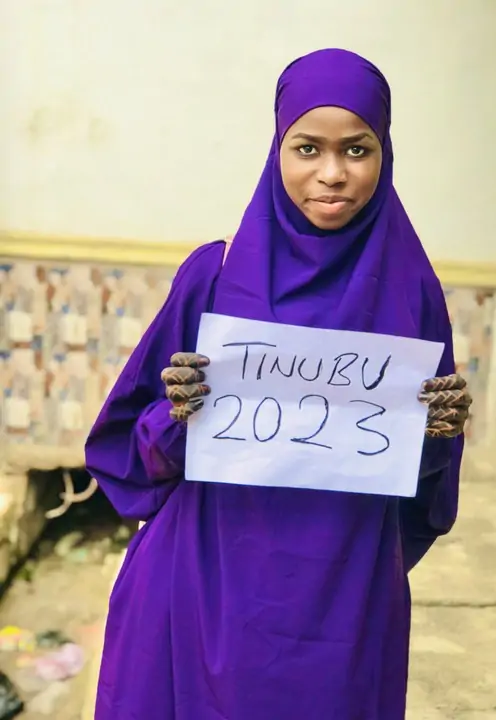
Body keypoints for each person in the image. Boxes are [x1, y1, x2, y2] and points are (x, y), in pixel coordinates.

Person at [86, 48, 471, 720]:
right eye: (307, 148)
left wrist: (438, 436)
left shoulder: (412, 292)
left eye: (357, 149)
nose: (332, 173)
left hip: (342, 604)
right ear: (277, 150)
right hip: (199, 590)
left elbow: (421, 496)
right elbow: (127, 449)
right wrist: (176, 415)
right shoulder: (214, 276)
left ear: (385, 155)